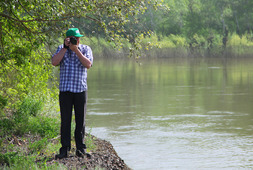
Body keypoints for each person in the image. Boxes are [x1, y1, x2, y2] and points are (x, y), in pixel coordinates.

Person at [52, 28, 93, 159]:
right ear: (67, 39)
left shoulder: (86, 49)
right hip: (65, 91)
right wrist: (65, 48)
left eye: (78, 38)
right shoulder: (61, 48)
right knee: (65, 121)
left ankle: (80, 149)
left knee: (80, 121)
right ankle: (64, 149)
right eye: (74, 38)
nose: (77, 40)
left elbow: (88, 64)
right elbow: (54, 62)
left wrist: (77, 51)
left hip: (80, 90)